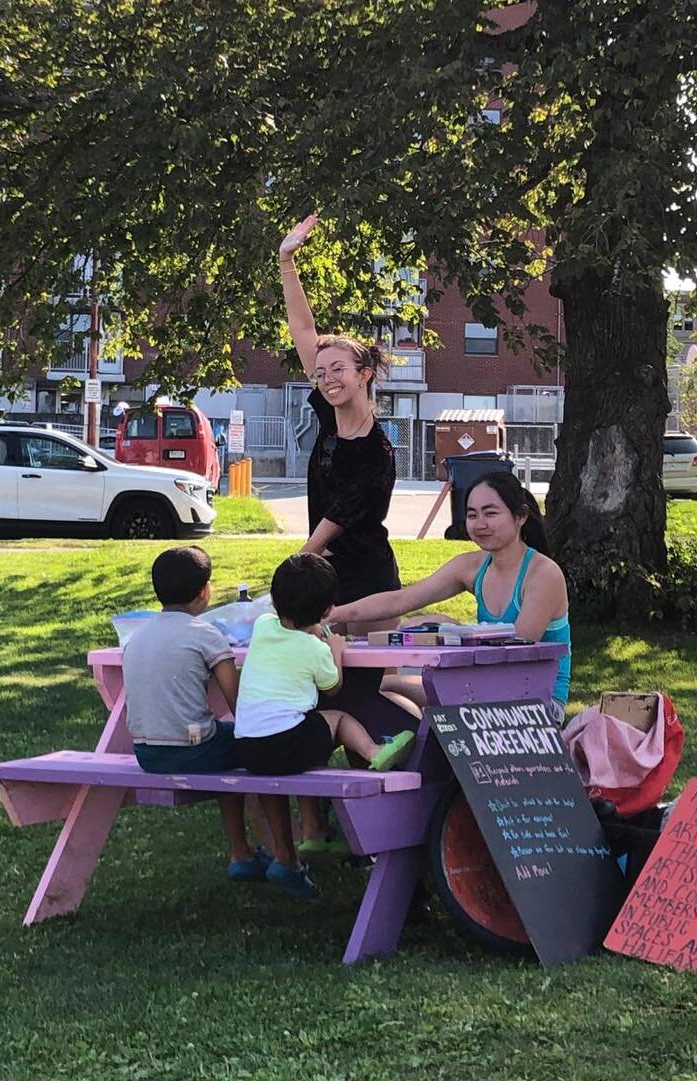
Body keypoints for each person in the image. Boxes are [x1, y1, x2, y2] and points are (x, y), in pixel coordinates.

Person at [279, 214, 420, 850]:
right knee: (312, 691)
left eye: (339, 369)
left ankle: (380, 823)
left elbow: (333, 521)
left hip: (361, 579)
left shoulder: (376, 452)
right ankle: (319, 820)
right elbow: (306, 333)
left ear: (366, 374)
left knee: (353, 690)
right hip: (321, 574)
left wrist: (293, 575)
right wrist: (287, 263)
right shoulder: (329, 417)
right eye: (320, 372)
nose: (326, 376)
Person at [234, 553, 415, 898]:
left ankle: (305, 838)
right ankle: (374, 750)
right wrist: (333, 649)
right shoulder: (314, 649)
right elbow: (332, 687)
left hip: (248, 746)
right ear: (329, 610)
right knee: (338, 717)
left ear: (274, 600)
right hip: (287, 744)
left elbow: (288, 628)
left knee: (307, 722)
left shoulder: (262, 627)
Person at [329, 471, 572, 723]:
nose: (480, 524)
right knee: (383, 687)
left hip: (539, 704)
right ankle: (402, 753)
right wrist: (333, 614)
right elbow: (399, 600)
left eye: (490, 513)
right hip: (482, 689)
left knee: (390, 690)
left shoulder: (544, 574)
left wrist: (452, 628)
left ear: (520, 516)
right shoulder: (471, 566)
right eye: (472, 514)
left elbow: (516, 646)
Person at [122, 546, 269, 883]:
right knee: (254, 744)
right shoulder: (205, 634)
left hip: (146, 752)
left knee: (225, 739)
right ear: (205, 591)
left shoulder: (137, 636)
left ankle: (242, 850)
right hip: (192, 750)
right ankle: (281, 852)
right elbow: (238, 704)